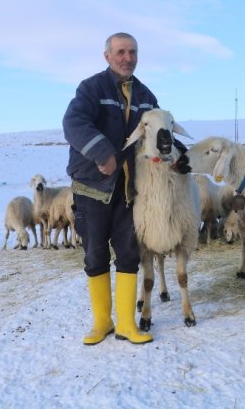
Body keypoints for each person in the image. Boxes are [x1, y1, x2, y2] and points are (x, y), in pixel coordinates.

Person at [62, 32, 188, 346]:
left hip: (130, 189)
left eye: (132, 52)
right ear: (107, 56)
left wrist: (179, 156)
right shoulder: (91, 89)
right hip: (93, 187)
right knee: (95, 255)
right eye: (120, 51)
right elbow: (73, 122)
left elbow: (162, 129)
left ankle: (127, 324)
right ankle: (102, 322)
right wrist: (101, 152)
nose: (127, 57)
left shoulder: (145, 95)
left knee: (129, 253)